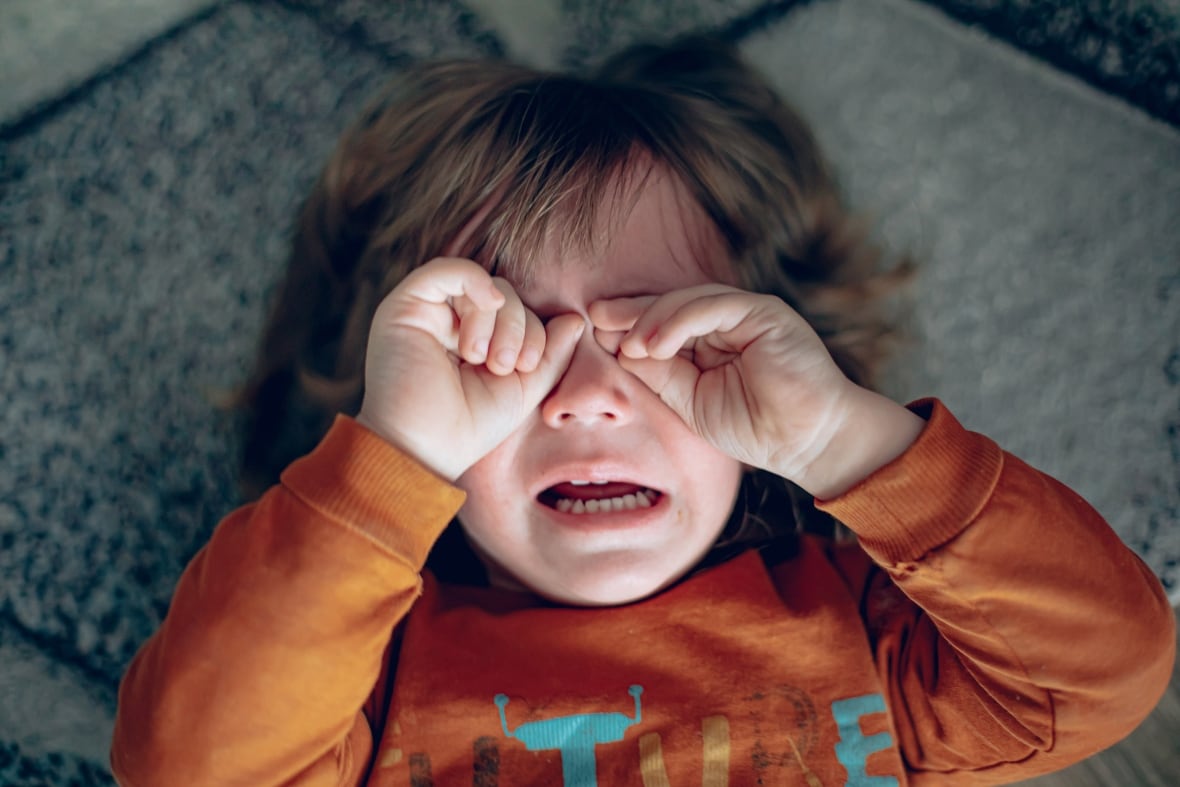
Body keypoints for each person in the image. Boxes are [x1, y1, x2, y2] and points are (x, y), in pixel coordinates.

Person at [110, 36, 1174, 786]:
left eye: (660, 332)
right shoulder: (368, 676)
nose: (584, 399)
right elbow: (189, 767)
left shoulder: (860, 623)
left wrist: (841, 439)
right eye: (506, 344)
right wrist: (391, 461)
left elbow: (1104, 665)